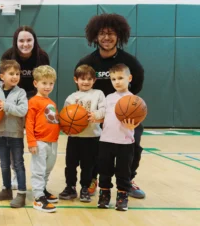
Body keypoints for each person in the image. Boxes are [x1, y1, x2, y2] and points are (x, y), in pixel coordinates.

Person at [76, 13, 145, 199]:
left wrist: (125, 105)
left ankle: (128, 179)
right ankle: (92, 179)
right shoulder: (87, 62)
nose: (106, 37)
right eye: (102, 33)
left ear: (119, 35)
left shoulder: (129, 62)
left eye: (111, 33)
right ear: (95, 36)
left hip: (124, 115)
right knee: (93, 148)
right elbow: (81, 88)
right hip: (97, 114)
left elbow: (137, 85)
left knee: (134, 145)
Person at [1, 25, 50, 189]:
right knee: (15, 139)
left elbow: (45, 82)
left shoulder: (42, 57)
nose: (25, 43)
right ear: (16, 42)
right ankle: (16, 173)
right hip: (15, 97)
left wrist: (35, 104)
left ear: (34, 40)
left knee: (39, 140)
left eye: (29, 40)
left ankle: (42, 176)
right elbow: (4, 84)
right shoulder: (8, 56)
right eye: (21, 40)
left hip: (36, 97)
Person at [58, 65, 106, 203]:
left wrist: (95, 114)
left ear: (94, 80)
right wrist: (65, 126)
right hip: (74, 137)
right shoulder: (71, 98)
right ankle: (70, 187)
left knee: (88, 165)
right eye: (82, 79)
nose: (86, 82)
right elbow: (65, 115)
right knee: (70, 164)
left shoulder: (98, 94)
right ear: (76, 80)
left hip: (92, 137)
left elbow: (104, 109)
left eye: (89, 79)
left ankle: (85, 188)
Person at [97, 63, 139, 211]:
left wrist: (134, 125)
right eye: (114, 79)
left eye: (120, 78)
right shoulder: (108, 98)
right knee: (104, 170)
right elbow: (103, 117)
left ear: (130, 78)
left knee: (123, 172)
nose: (117, 82)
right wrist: (96, 118)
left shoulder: (134, 100)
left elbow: (138, 119)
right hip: (106, 141)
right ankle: (104, 194)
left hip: (125, 142)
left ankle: (122, 197)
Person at [0, 60, 28, 208]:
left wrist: (6, 106)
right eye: (11, 73)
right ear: (2, 76)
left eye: (17, 74)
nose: (15, 76)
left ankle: (21, 193)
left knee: (18, 164)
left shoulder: (21, 92)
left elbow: (22, 110)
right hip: (0, 134)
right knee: (4, 164)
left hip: (16, 134)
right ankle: (6, 190)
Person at [25, 65, 59, 213]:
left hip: (53, 141)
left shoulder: (51, 102)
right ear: (35, 83)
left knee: (47, 169)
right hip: (39, 141)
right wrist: (31, 142)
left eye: (51, 83)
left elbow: (54, 121)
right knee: (38, 170)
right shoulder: (33, 101)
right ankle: (38, 198)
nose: (48, 86)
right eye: (44, 83)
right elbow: (29, 123)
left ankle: (43, 190)